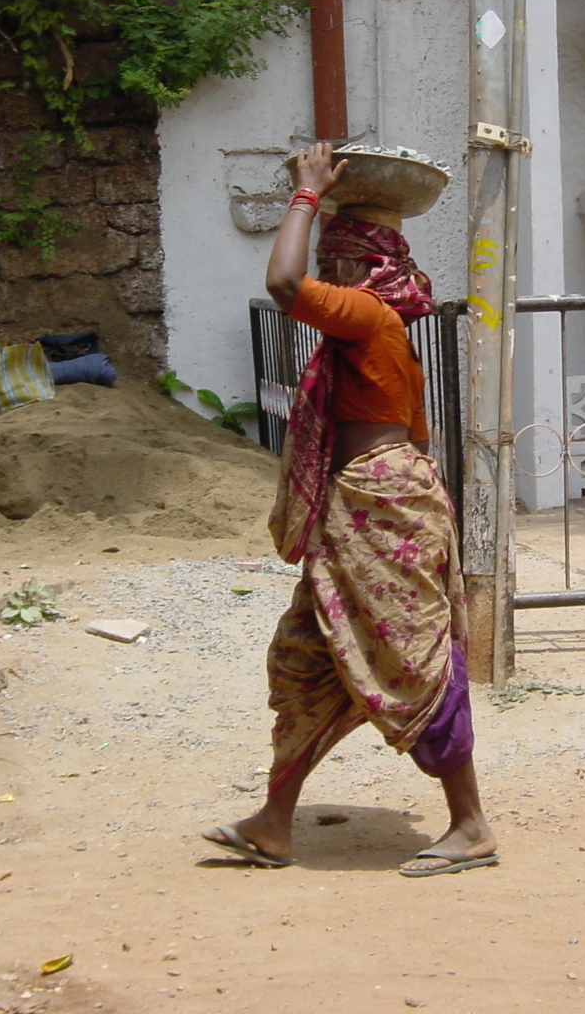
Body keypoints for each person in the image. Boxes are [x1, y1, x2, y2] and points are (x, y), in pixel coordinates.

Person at [203, 142, 497, 878]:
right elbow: (419, 435)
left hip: (379, 509)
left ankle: (470, 825)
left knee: (415, 663)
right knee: (310, 661)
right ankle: (274, 822)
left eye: (336, 260)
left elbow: (281, 280)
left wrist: (304, 195)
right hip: (366, 509)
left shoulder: (365, 316)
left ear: (361, 266)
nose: (326, 273)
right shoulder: (377, 330)